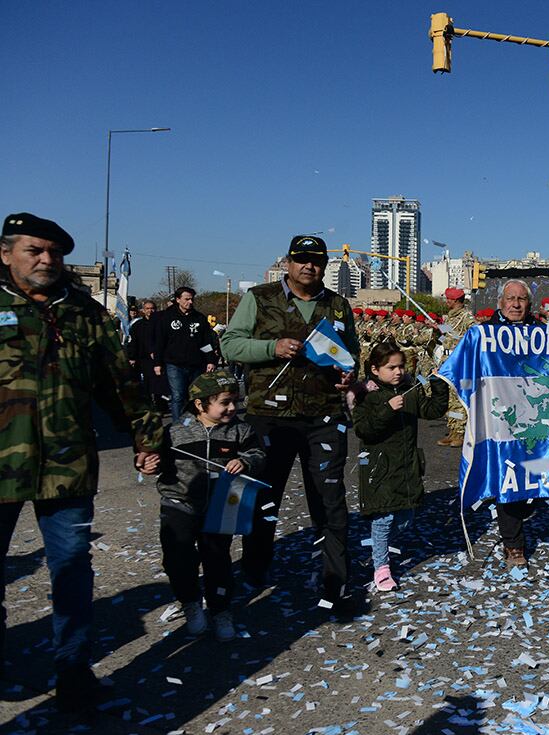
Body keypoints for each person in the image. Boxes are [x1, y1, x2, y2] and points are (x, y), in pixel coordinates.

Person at [0, 213, 162, 710]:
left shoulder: (85, 313)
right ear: (7, 253)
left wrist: (145, 435)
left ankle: (74, 670)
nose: (46, 260)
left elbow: (118, 383)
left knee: (71, 568)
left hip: (67, 463)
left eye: (55, 252)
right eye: (34, 250)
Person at [219, 234, 359, 606]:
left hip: (324, 417)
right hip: (270, 418)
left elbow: (351, 356)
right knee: (263, 497)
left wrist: (349, 373)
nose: (308, 266)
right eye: (301, 259)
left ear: (325, 266)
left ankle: (335, 580)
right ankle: (255, 569)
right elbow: (230, 344)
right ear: (288, 263)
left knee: (329, 501)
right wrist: (271, 348)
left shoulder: (339, 305)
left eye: (316, 260)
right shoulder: (260, 298)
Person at [155, 371, 264, 641]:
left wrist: (246, 461)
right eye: (225, 402)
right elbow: (155, 459)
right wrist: (148, 463)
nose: (232, 408)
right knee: (177, 558)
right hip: (179, 503)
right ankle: (191, 603)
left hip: (222, 504)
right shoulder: (174, 432)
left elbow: (258, 453)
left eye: (235, 402)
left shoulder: (241, 429)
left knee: (217, 559)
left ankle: (220, 609)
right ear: (200, 404)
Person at [352, 342, 448, 591]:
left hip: (406, 465)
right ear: (375, 369)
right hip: (379, 467)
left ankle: (376, 550)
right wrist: (387, 409)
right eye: (391, 367)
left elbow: (432, 410)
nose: (397, 371)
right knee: (383, 517)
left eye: (401, 366)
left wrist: (438, 385)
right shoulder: (367, 394)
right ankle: (381, 568)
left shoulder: (408, 390)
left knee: (406, 517)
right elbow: (364, 429)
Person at [489, 279, 539, 566]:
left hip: (536, 419)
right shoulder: (484, 334)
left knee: (532, 476)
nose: (516, 304)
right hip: (499, 421)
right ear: (500, 303)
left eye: (522, 299)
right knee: (509, 478)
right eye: (511, 298)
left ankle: (520, 516)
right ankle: (514, 546)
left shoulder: (543, 334)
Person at [154, 286, 218, 421]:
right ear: (178, 299)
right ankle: (178, 426)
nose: (190, 302)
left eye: (192, 299)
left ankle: (190, 423)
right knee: (178, 395)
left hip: (196, 364)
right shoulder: (166, 317)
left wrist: (210, 360)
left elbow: (206, 342)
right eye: (186, 299)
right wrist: (157, 363)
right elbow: (160, 342)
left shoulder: (199, 318)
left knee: (194, 396)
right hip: (174, 364)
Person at [439, 287, 476, 447]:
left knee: (458, 397)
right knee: (450, 398)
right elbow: (446, 337)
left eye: (448, 299)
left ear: (455, 301)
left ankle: (460, 432)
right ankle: (453, 429)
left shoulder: (466, 316)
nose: (446, 302)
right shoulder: (450, 318)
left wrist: (459, 341)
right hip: (447, 359)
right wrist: (438, 330)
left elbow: (474, 334)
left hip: (458, 360)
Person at [127, 298, 168, 408]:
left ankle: (161, 404)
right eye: (147, 309)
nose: (150, 311)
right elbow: (133, 342)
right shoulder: (138, 325)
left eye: (152, 308)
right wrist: (132, 357)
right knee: (147, 383)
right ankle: (149, 403)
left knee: (160, 384)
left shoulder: (162, 324)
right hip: (144, 359)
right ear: (143, 310)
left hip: (160, 358)